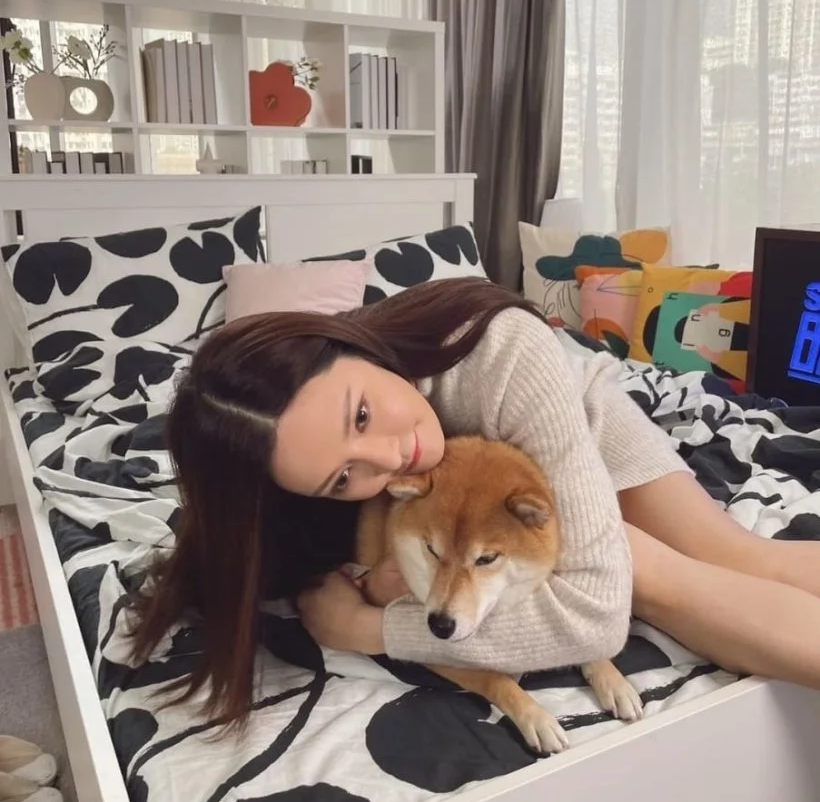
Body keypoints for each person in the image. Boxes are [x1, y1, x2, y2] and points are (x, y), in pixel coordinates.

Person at [129, 277, 820, 726]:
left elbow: (596, 619)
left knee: (697, 567)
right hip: (482, 509)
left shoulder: (501, 351)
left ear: (347, 345)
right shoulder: (296, 463)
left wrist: (369, 629)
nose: (390, 457)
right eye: (342, 478)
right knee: (657, 574)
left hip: (577, 428)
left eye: (362, 415)